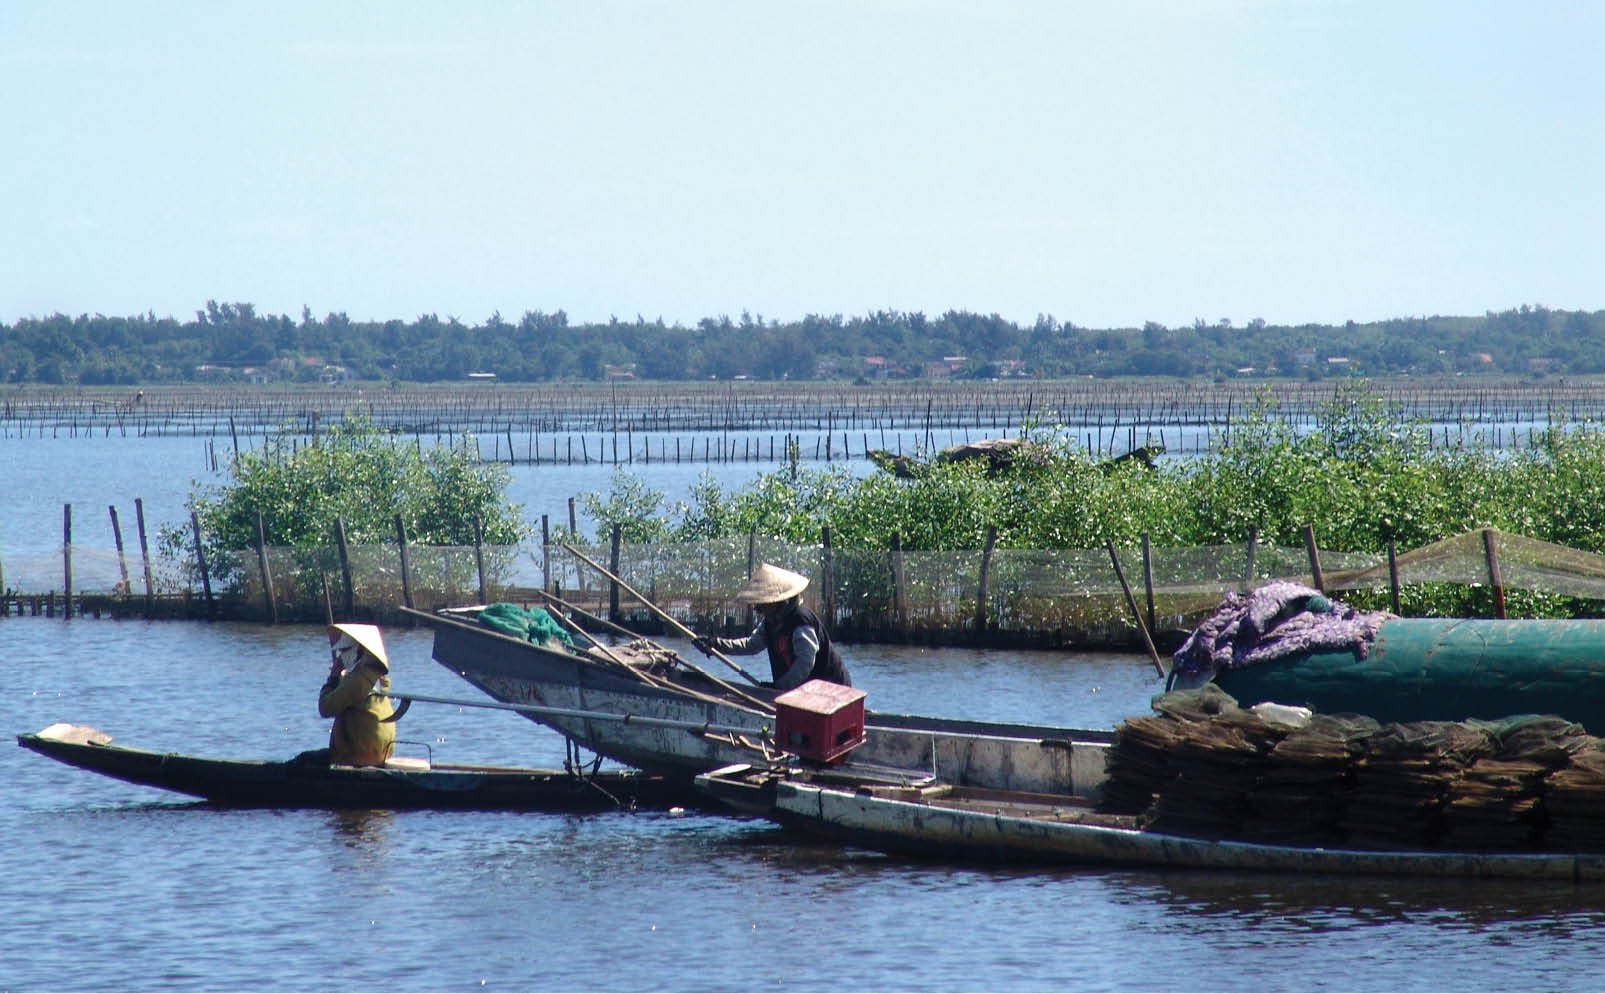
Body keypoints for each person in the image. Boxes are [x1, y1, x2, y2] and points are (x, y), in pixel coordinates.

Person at [693, 563, 851, 691]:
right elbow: (751, 645)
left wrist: (779, 687)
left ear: (779, 602)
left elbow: (805, 662)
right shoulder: (771, 622)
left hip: (831, 690)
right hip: (804, 691)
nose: (758, 609)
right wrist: (715, 644)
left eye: (763, 604)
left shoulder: (800, 621)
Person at [317, 623, 396, 766]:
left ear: (359, 650)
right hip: (379, 752)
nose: (341, 655)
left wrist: (333, 676)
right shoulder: (375, 676)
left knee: (302, 761)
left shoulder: (358, 680)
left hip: (360, 755)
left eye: (345, 650)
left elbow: (325, 708)